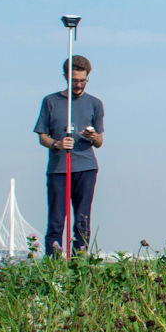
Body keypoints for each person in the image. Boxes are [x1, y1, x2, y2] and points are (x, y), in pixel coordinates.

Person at [33, 54, 105, 255]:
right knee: (56, 220)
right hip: (59, 169)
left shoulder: (95, 104)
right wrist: (57, 143)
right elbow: (42, 137)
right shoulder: (50, 101)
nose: (79, 85)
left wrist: (93, 136)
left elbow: (100, 142)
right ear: (66, 76)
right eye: (75, 81)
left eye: (83, 81)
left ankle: (79, 263)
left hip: (86, 168)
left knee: (82, 220)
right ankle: (53, 265)